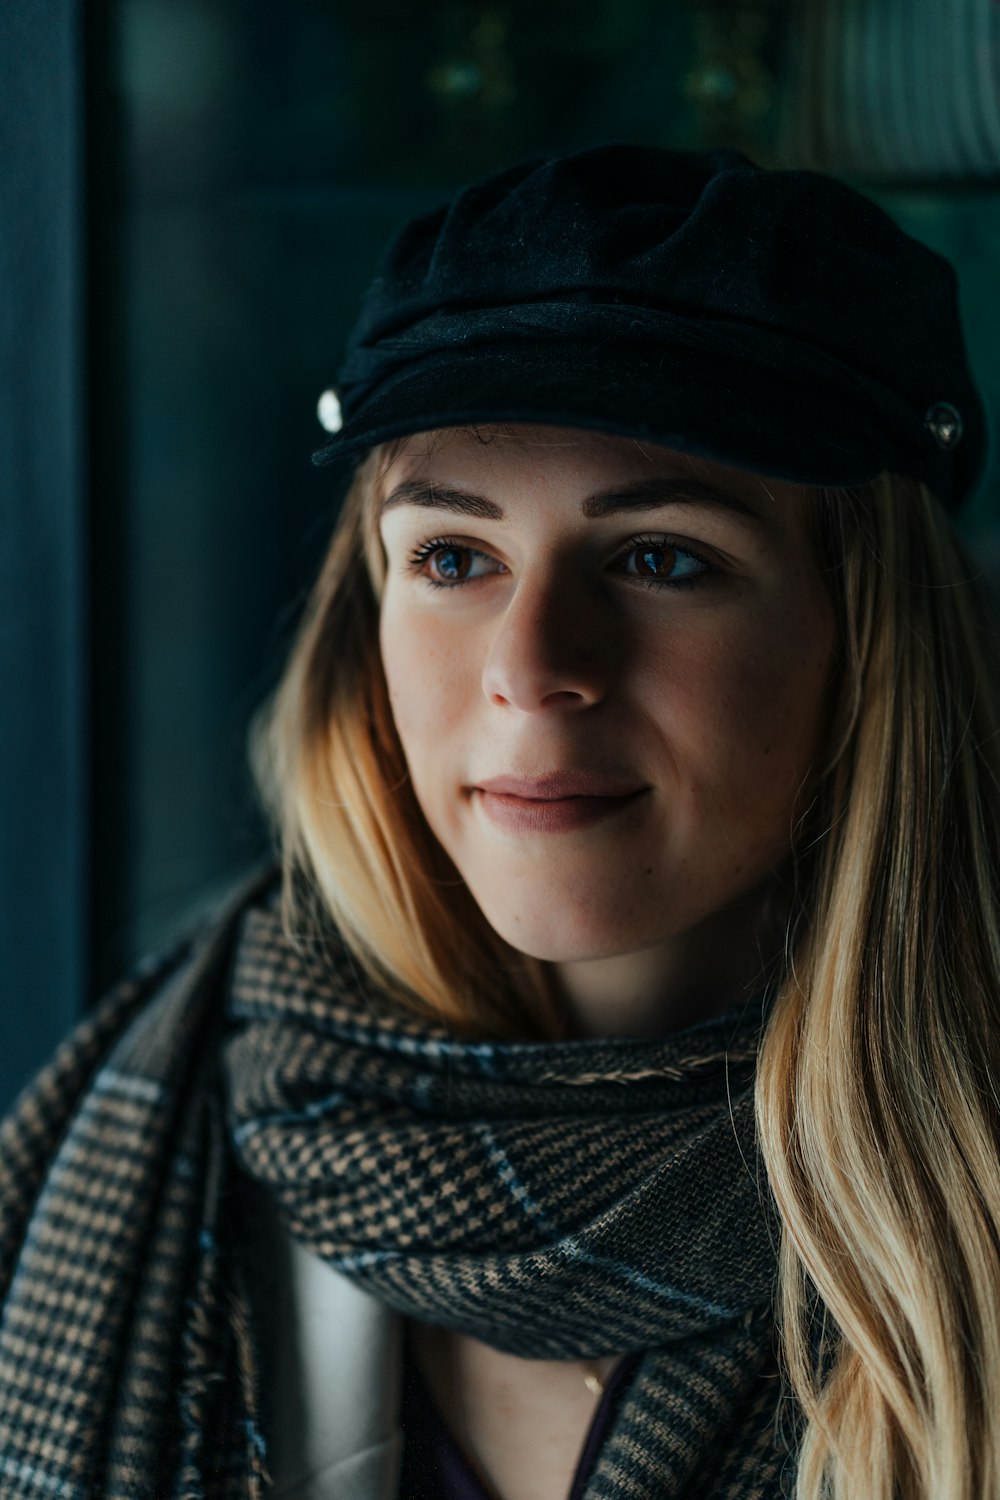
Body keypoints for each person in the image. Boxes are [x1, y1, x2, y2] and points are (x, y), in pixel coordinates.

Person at [0, 143, 996, 1500]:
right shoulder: (154, 1131)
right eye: (455, 558)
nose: (531, 666)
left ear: (869, 641)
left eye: (662, 559)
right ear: (371, 615)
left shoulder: (967, 1210)